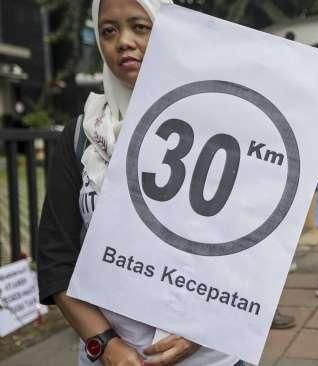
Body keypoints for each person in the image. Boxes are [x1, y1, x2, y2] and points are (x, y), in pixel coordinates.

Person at [36, 1, 242, 365]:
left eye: (140, 27)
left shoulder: (220, 127)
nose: (124, 42)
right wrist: (105, 344)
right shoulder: (83, 134)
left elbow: (251, 251)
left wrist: (204, 327)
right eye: (108, 31)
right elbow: (56, 256)